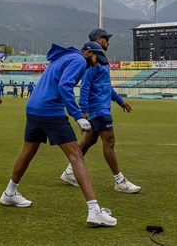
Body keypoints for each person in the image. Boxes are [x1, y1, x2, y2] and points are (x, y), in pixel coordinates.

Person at [0, 41, 117, 227]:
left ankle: (9, 193)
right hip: (50, 110)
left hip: (33, 108)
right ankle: (94, 210)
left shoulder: (64, 57)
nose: (96, 63)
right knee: (76, 155)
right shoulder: (78, 59)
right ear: (87, 52)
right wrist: (78, 116)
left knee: (28, 152)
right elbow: (64, 86)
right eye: (96, 58)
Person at [60, 28, 140, 194]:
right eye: (105, 38)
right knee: (109, 141)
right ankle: (119, 180)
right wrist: (84, 110)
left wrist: (120, 101)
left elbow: (106, 86)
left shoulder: (102, 61)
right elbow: (86, 86)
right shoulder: (92, 61)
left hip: (102, 107)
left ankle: (69, 172)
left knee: (89, 141)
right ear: (97, 39)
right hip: (98, 108)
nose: (108, 42)